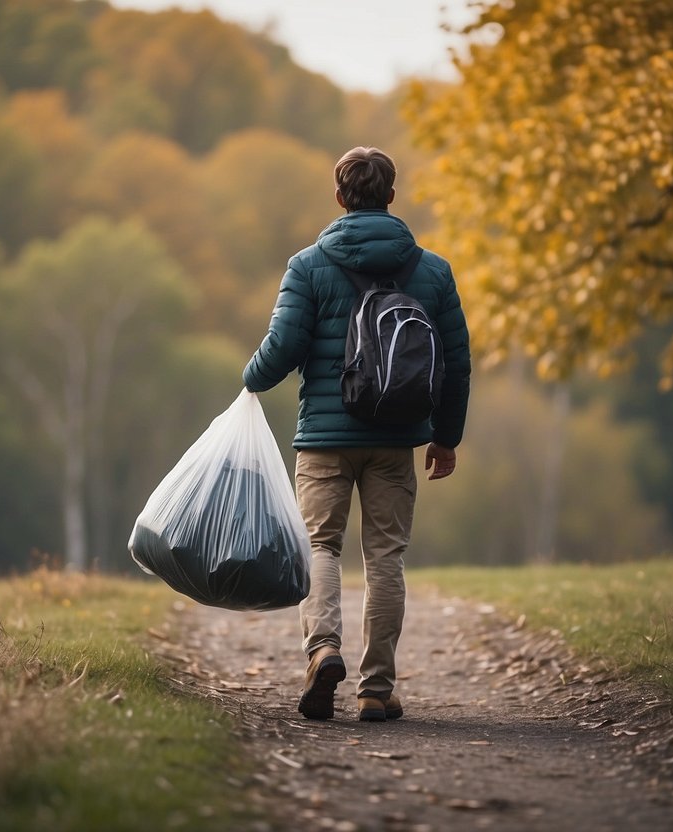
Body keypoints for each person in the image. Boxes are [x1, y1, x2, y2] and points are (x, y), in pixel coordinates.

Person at [243, 146, 471, 722]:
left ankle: (323, 651)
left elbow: (284, 347)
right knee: (385, 557)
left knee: (319, 546)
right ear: (391, 196)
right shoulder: (433, 270)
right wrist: (446, 437)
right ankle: (376, 688)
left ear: (340, 196)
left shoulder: (308, 266)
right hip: (396, 438)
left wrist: (251, 382)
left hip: (323, 437)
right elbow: (457, 362)